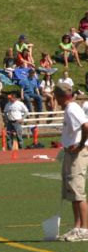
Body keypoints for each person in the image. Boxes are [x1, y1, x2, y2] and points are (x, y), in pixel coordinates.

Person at [55, 83, 88, 241]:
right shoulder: (69, 109)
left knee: (77, 191)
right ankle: (77, 227)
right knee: (71, 191)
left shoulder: (72, 108)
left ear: (61, 96)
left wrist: (81, 144)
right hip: (70, 152)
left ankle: (84, 229)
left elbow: (86, 126)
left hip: (77, 154)